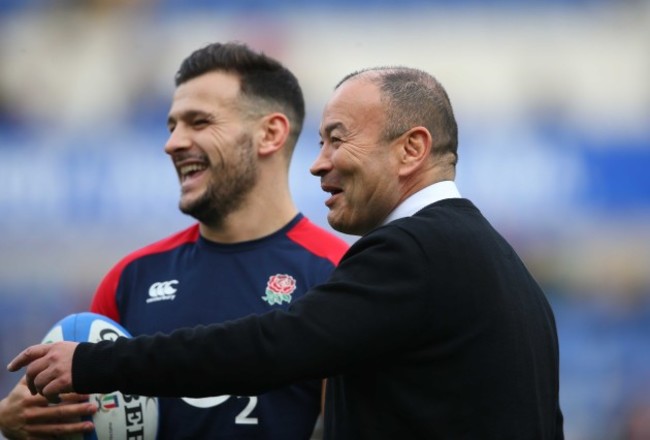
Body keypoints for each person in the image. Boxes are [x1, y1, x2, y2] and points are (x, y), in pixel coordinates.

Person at [8, 66, 565, 439]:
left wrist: (93, 364)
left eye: (337, 138)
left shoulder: (410, 252)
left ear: (412, 148)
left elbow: (271, 346)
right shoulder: (508, 271)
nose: (319, 163)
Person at [0, 42, 349, 440]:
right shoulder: (131, 278)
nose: (173, 143)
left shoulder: (338, 274)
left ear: (270, 133)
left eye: (198, 122)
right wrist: (13, 423)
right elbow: (75, 419)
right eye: (172, 126)